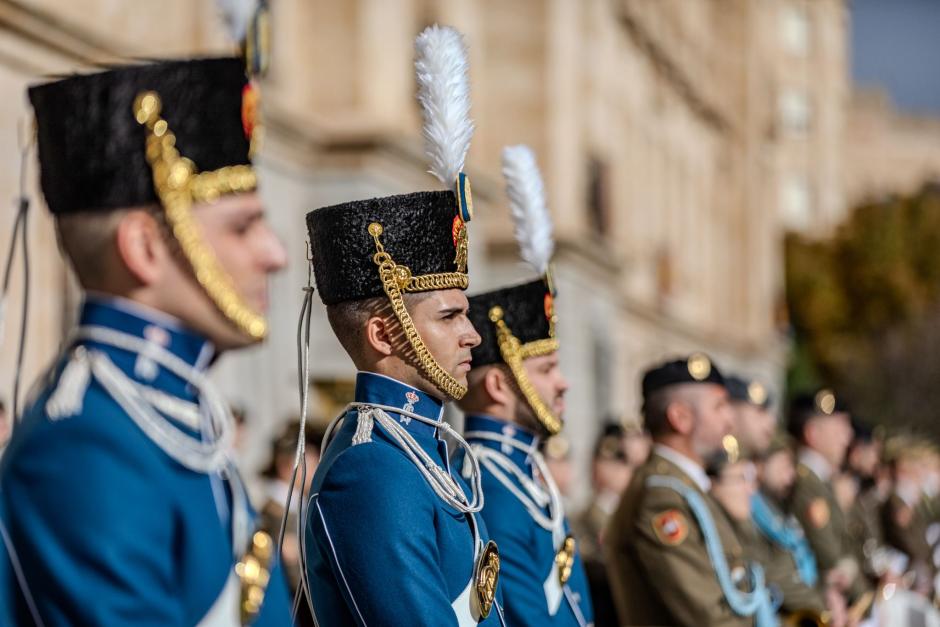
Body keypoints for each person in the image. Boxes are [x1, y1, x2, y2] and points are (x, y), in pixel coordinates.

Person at [0, 52, 292, 624]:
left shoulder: (172, 420)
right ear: (145, 248)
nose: (275, 254)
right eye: (242, 227)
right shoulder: (88, 444)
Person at [301, 25, 505, 626]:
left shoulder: (425, 452)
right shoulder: (373, 469)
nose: (472, 336)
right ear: (386, 335)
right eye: (450, 316)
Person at [456, 144, 593, 626]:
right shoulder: (489, 483)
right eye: (546, 370)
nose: (563, 383)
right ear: (497, 385)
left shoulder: (523, 475)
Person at [606, 355, 775, 627]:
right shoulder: (661, 496)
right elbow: (707, 617)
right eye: (719, 407)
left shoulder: (687, 486)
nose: (730, 421)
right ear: (680, 418)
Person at [787, 390, 871, 612]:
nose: (848, 438)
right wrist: (864, 599)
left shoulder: (821, 481)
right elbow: (829, 554)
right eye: (839, 429)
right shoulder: (808, 484)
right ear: (812, 433)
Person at [257, 420, 325, 627]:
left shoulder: (298, 505)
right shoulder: (275, 512)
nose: (316, 465)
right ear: (288, 465)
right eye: (310, 459)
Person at [572, 423, 637, 627]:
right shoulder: (581, 519)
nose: (614, 471)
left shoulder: (635, 516)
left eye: (621, 463)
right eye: (606, 461)